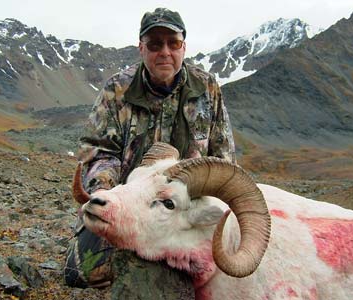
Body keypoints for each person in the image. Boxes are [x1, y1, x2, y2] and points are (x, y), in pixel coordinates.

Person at [64, 7, 237, 288]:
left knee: (216, 272)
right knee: (83, 272)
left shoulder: (207, 88)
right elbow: (98, 151)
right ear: (141, 48)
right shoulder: (117, 90)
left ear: (184, 46)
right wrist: (103, 192)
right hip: (129, 203)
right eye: (155, 44)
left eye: (173, 43)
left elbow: (224, 157)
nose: (165, 52)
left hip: (184, 211)